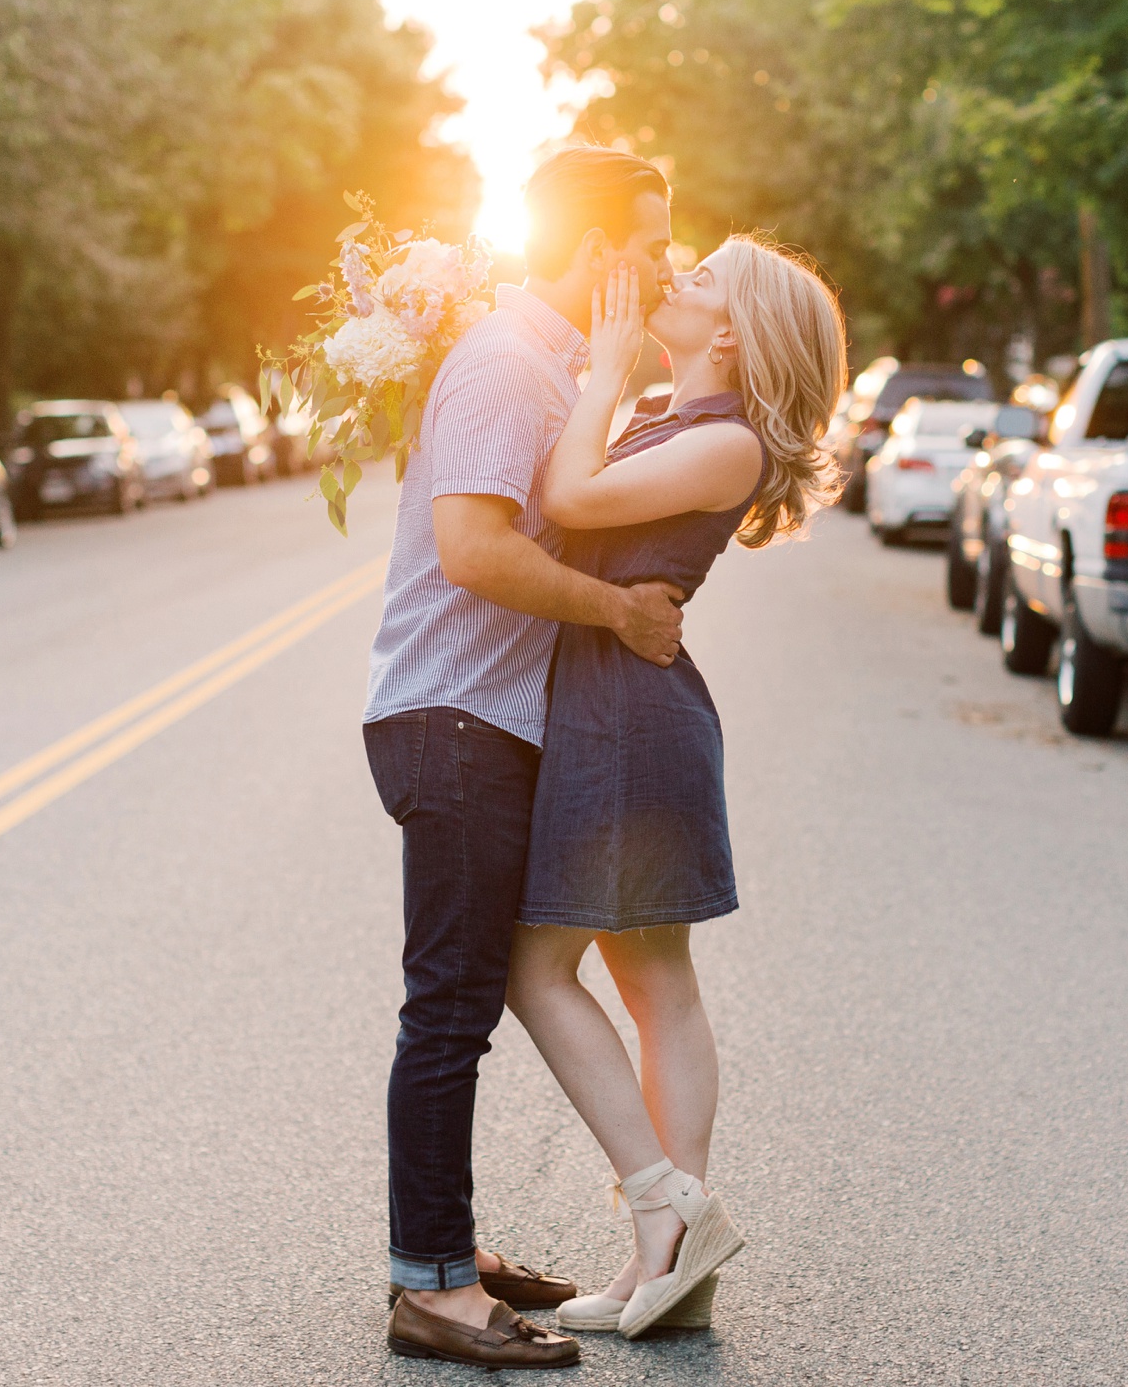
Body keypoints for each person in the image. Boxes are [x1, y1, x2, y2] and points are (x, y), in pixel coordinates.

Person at [363, 147, 686, 1370]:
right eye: (652, 242)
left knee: (465, 996)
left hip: (480, 720)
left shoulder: (551, 361)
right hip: (452, 719)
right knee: (447, 1006)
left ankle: (442, 1247)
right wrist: (615, 615)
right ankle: (431, 1291)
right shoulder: (504, 362)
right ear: (601, 250)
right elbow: (469, 550)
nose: (665, 263)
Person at [505, 238, 848, 1338]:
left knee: (534, 966)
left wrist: (600, 367)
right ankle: (673, 1261)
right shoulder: (678, 416)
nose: (671, 279)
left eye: (698, 279)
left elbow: (569, 491)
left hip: (624, 720)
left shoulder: (725, 443)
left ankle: (666, 1207)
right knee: (653, 983)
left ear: (734, 331)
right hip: (614, 705)